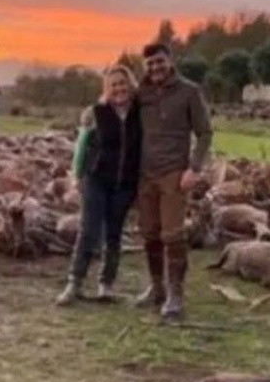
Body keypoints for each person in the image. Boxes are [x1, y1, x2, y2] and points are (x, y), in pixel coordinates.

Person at [134, 43, 213, 320]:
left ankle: (175, 293)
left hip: (173, 174)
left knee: (173, 235)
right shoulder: (140, 93)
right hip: (145, 174)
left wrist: (194, 168)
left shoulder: (189, 92)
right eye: (150, 64)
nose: (155, 68)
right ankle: (157, 288)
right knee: (150, 233)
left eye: (159, 62)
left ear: (170, 61)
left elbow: (205, 133)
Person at [56, 66, 142, 306]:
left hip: (124, 184)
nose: (119, 89)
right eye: (113, 84)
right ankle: (75, 282)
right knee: (89, 231)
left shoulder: (140, 114)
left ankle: (106, 285)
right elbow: (82, 147)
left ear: (130, 85)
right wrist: (76, 176)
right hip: (96, 179)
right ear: (107, 88)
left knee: (114, 234)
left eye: (123, 83)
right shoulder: (95, 113)